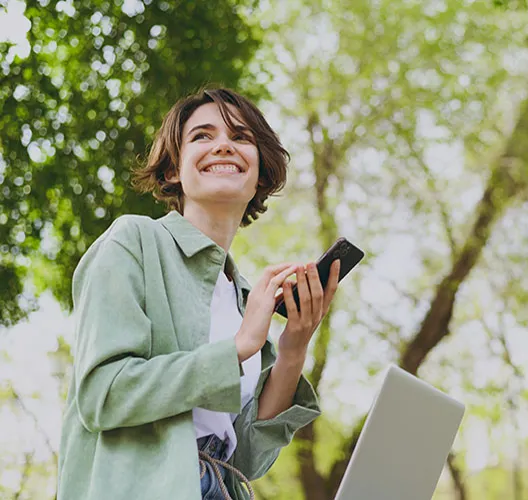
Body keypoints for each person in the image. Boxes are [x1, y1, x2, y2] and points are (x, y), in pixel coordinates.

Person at [57, 87, 340, 500]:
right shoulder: (133, 242)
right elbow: (104, 394)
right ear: (173, 169)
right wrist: (238, 347)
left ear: (259, 172)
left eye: (241, 137)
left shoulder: (245, 297)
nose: (223, 145)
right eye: (202, 136)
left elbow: (244, 460)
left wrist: (293, 348)